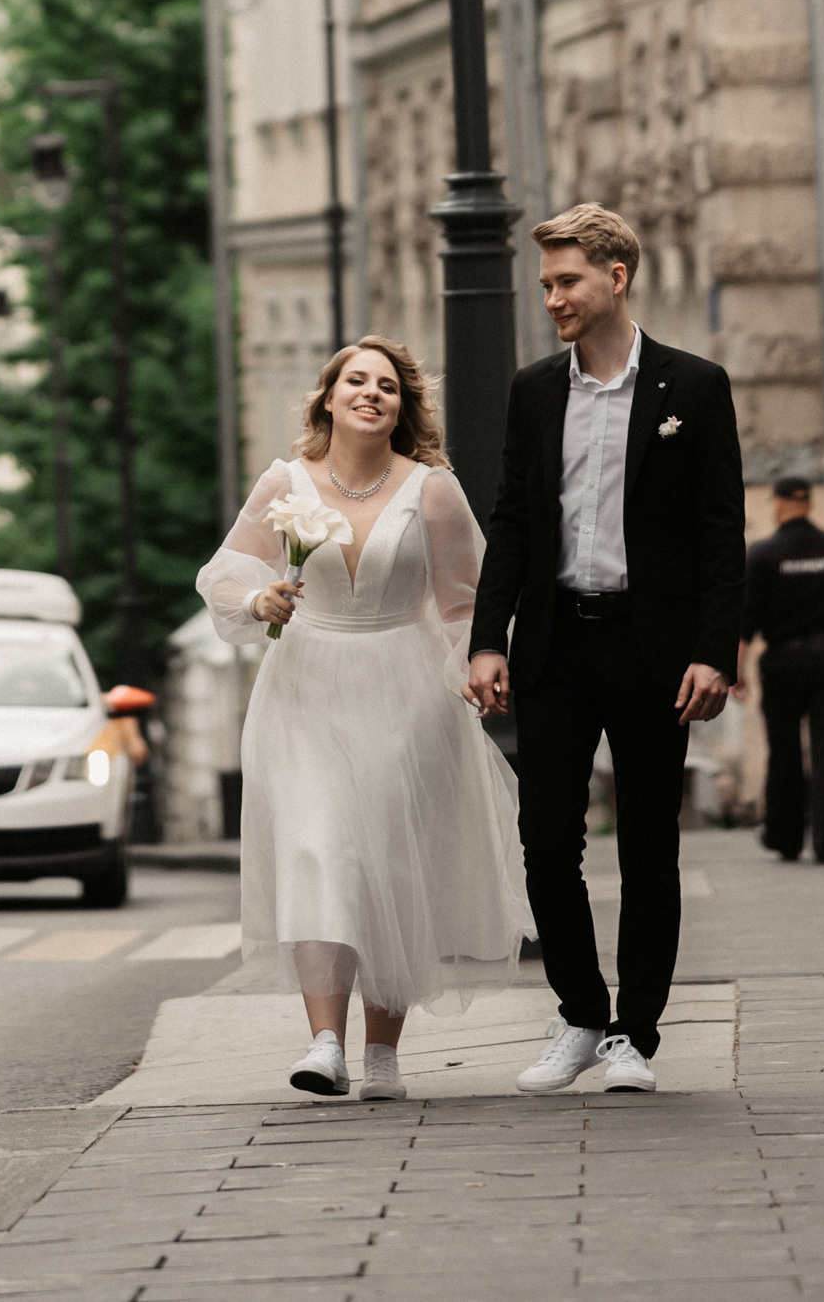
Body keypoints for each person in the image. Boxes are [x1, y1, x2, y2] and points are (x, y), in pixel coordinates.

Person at [198, 336, 528, 1103]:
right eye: (355, 380)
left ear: (402, 406)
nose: (369, 392)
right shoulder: (285, 482)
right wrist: (259, 600)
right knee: (319, 849)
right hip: (306, 686)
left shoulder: (431, 490)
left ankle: (382, 1051)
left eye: (386, 384)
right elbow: (226, 570)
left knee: (388, 860)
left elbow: (464, 600)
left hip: (403, 690)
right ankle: (324, 1042)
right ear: (327, 397)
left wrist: (476, 667)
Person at [465, 202, 745, 1100]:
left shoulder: (693, 388)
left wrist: (713, 650)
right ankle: (582, 1013)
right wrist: (485, 639)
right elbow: (511, 520)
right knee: (545, 843)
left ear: (614, 278)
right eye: (544, 284)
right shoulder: (535, 388)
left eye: (565, 281)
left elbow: (719, 533)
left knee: (649, 843)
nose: (551, 298)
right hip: (555, 643)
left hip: (654, 651)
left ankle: (636, 1032)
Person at [737, 475, 824, 864]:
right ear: (809, 504)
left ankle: (785, 838)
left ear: (779, 504)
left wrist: (737, 669)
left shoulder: (764, 555)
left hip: (783, 663)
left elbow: (746, 620)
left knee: (783, 752)